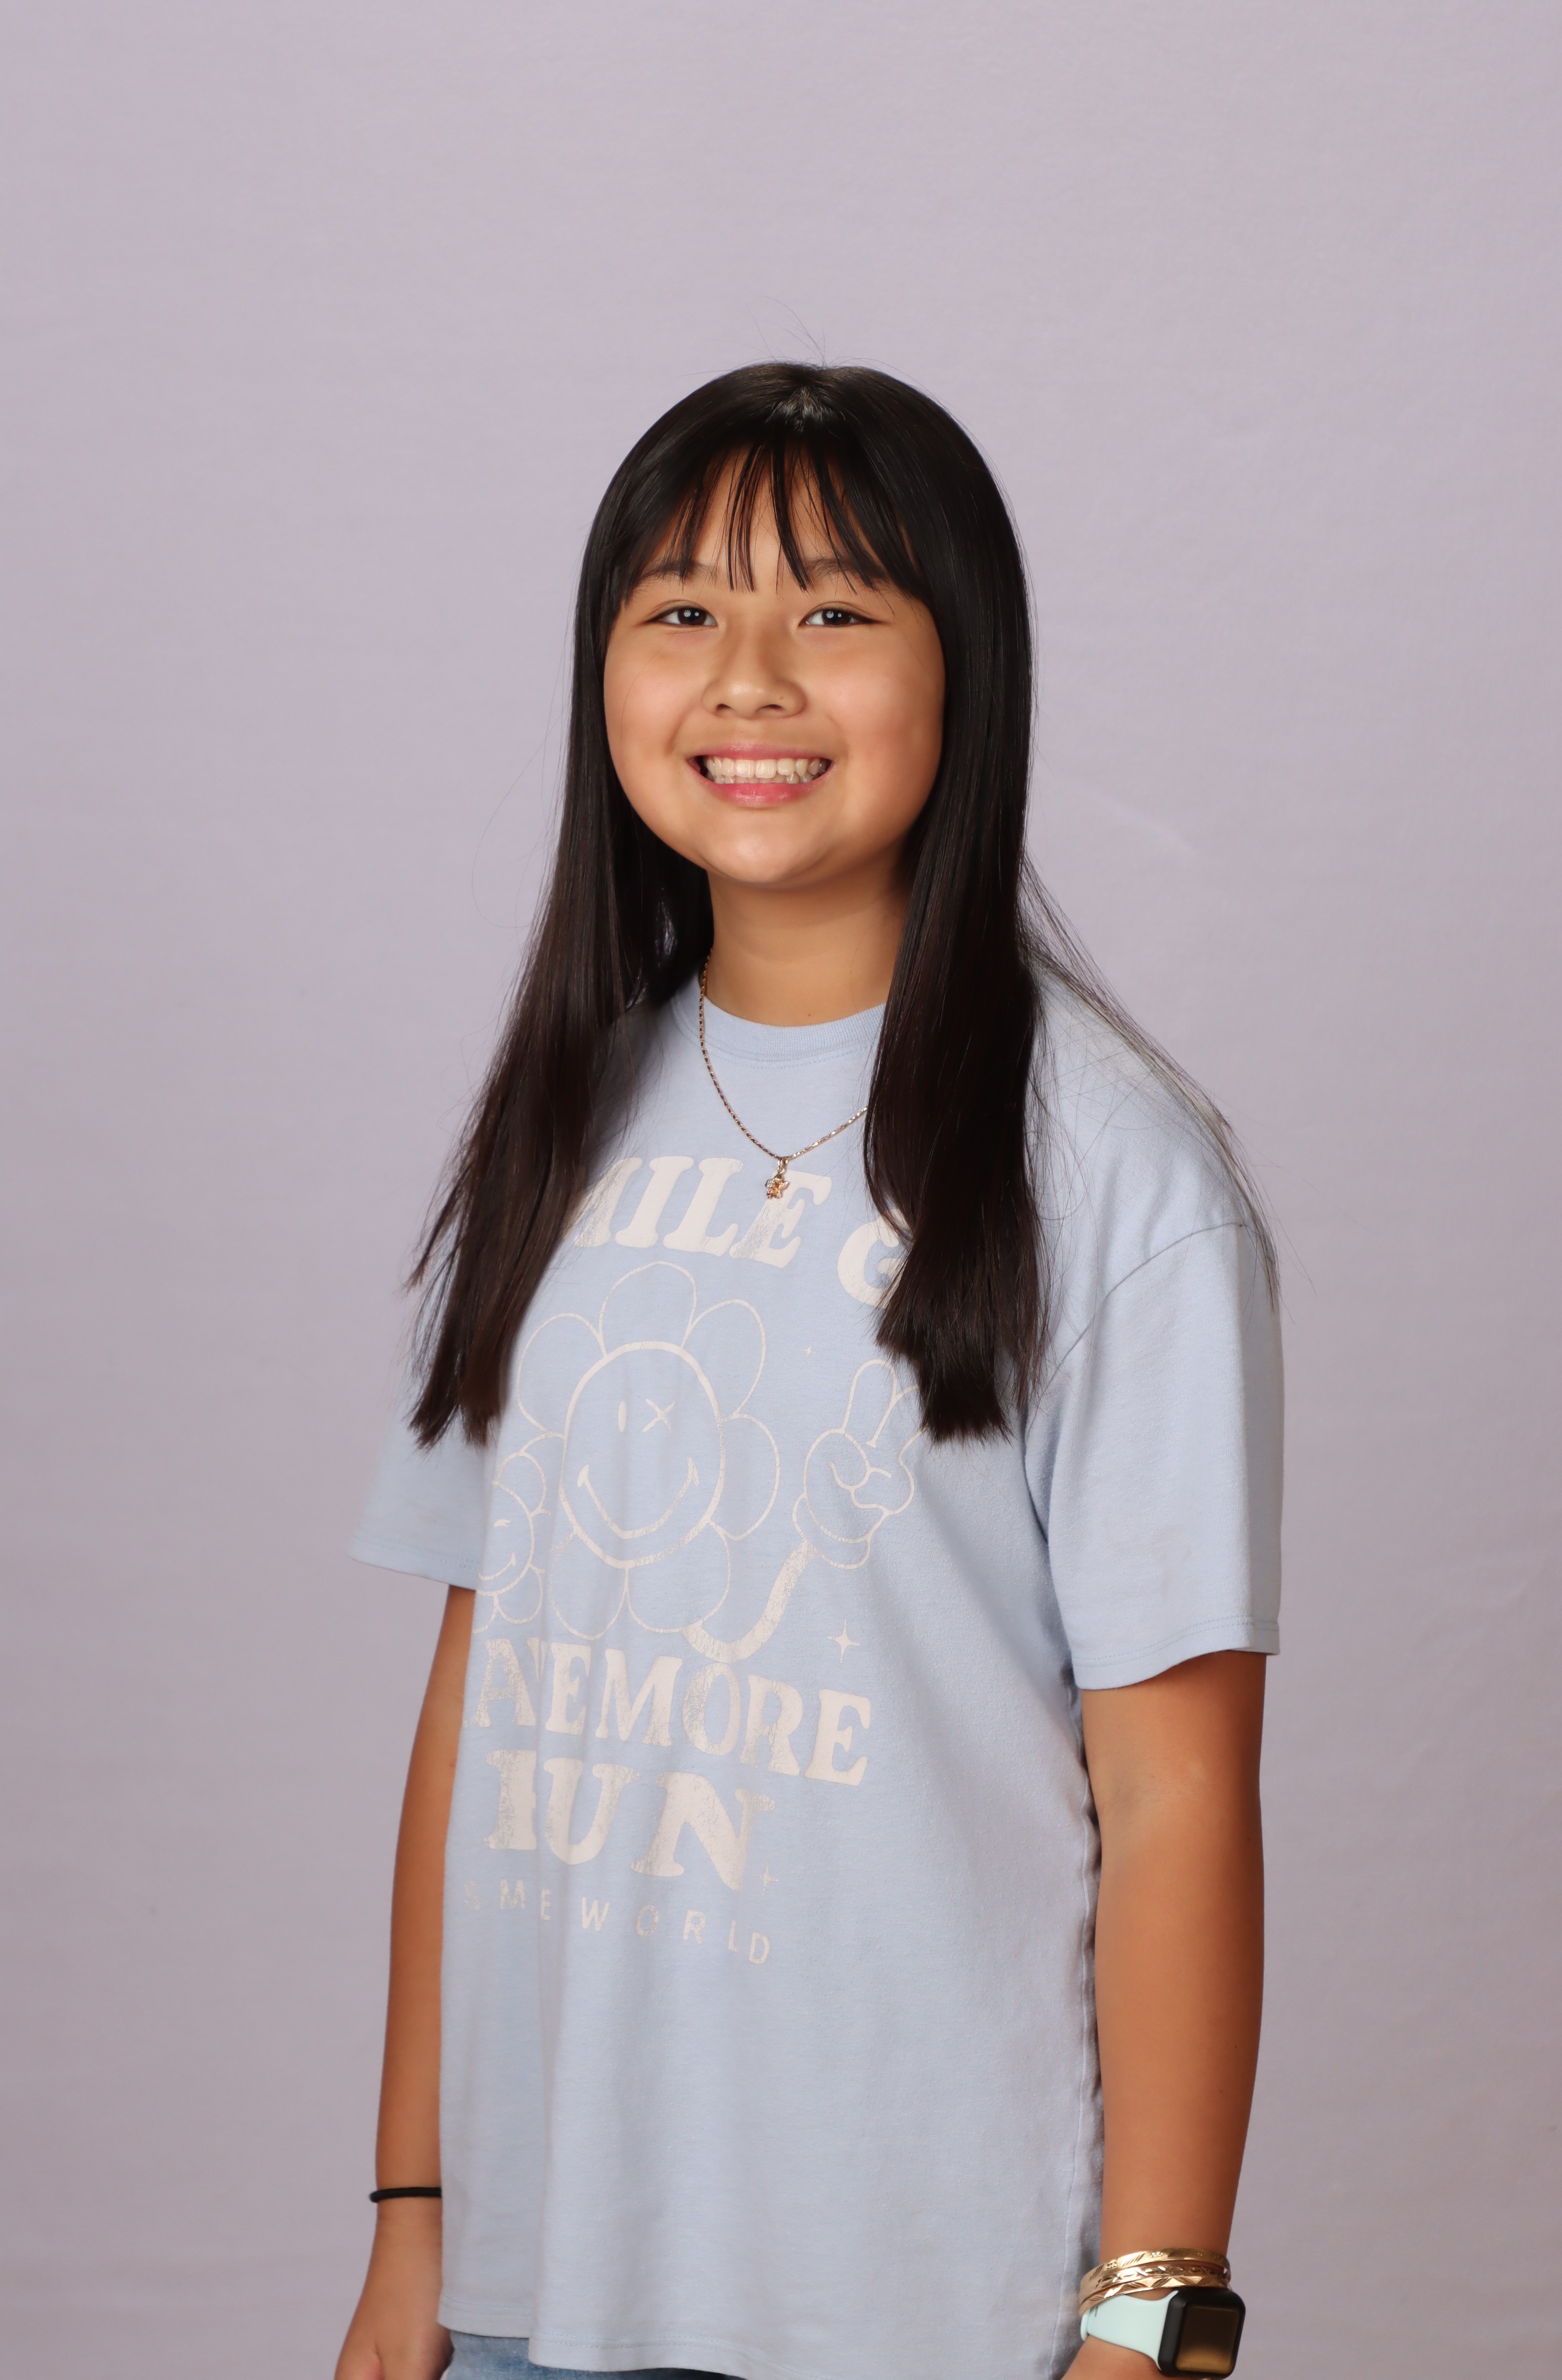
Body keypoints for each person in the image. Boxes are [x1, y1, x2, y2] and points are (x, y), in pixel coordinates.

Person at [334, 363, 1281, 2380]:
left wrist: (1149, 2324)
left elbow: (1178, 1787)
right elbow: (475, 1700)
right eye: (681, 609)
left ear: (964, 673)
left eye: (834, 610)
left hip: (927, 2301)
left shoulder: (1111, 1168)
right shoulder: (555, 1121)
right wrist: (413, 2223)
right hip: (535, 2288)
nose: (747, 679)